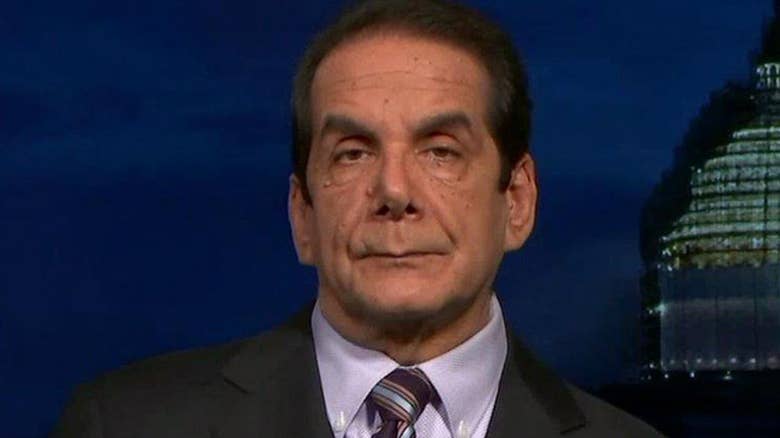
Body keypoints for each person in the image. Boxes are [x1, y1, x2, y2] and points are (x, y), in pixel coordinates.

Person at [53, 0, 664, 436]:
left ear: (518, 200)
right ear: (302, 215)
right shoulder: (122, 424)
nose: (394, 191)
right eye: (353, 153)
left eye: (440, 151)